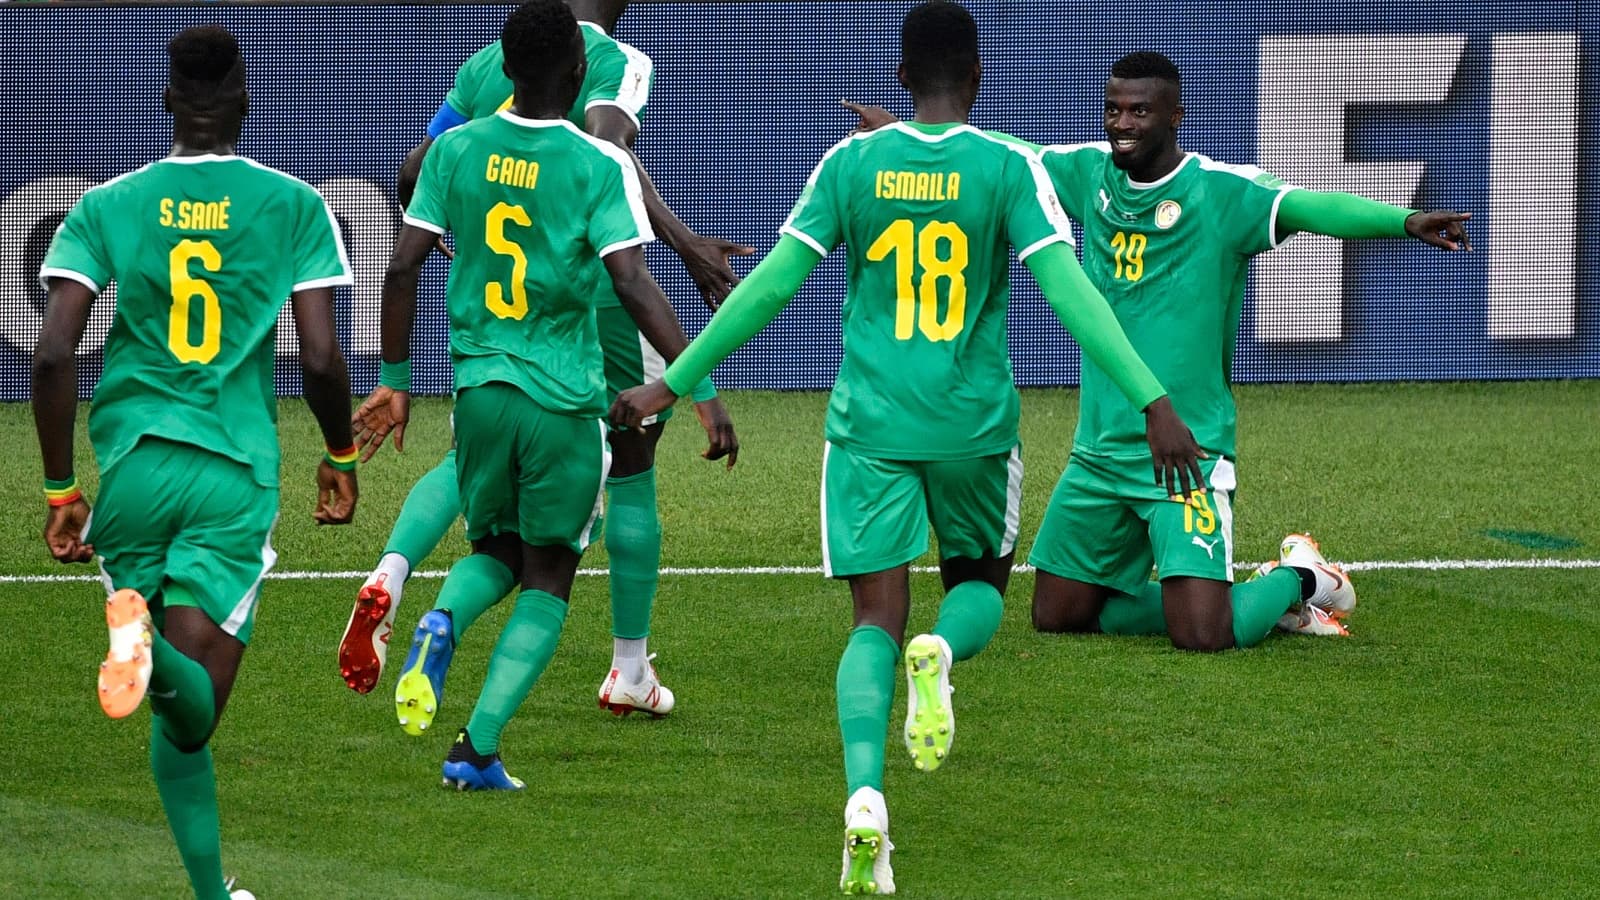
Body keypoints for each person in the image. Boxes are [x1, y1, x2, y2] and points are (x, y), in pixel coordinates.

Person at [611, 3, 1201, 891]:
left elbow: (770, 285)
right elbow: (1073, 292)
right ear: (977, 78)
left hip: (869, 431)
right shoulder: (1007, 167)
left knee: (871, 624)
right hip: (971, 429)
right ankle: (946, 655)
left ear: (899, 79)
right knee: (977, 591)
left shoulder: (852, 162)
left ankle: (864, 802)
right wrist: (1154, 399)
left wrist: (674, 378)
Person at [850, 51, 1471, 649]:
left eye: (1139, 112)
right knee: (1058, 614)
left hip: (1186, 450)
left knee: (1202, 634)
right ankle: (1227, 597)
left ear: (1174, 116)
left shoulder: (1221, 192)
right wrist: (911, 136)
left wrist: (1403, 219)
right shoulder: (1087, 173)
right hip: (1099, 452)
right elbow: (1013, 154)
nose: (1122, 124)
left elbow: (1310, 207)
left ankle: (1299, 578)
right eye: (1113, 109)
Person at [338, 0, 743, 722]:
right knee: (629, 469)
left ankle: (394, 574)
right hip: (582, 318)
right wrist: (699, 370)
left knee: (483, 505)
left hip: (487, 354)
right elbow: (607, 161)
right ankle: (626, 668)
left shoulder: (480, 77)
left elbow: (412, 177)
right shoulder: (619, 64)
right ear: (578, 68)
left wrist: (449, 243)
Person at [31, 26, 358, 900]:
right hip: (232, 476)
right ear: (245, 99)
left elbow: (54, 352)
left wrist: (63, 486)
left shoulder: (105, 205)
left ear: (168, 100)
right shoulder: (293, 205)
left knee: (179, 716)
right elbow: (323, 359)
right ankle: (147, 647)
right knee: (192, 716)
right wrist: (340, 453)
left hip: (133, 470)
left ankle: (215, 895)